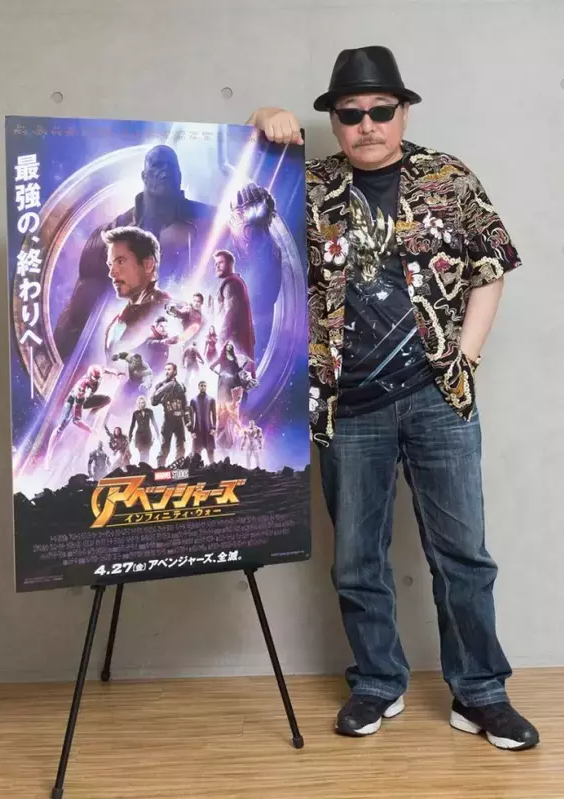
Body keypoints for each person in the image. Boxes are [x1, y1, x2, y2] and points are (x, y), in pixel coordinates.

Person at [247, 45, 539, 750]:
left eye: (381, 110)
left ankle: (481, 693)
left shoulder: (448, 177)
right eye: (351, 114)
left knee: (463, 554)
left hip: (438, 399)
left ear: (402, 112)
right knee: (357, 558)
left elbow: (490, 267)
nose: (368, 124)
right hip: (348, 405)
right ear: (335, 121)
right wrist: (261, 120)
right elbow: (242, 208)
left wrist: (465, 358)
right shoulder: (309, 186)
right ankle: (378, 681)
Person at [53, 145, 280, 362]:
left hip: (195, 356)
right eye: (157, 165)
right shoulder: (109, 237)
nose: (165, 171)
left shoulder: (214, 225)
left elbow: (260, 295)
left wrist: (255, 235)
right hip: (124, 357)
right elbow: (77, 314)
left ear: (180, 176)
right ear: (144, 176)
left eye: (171, 167)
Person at [102, 226, 170, 358]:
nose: (112, 273)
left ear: (148, 265)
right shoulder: (119, 319)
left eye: (120, 261)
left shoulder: (162, 307)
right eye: (110, 265)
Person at [213, 250, 256, 374]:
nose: (217, 266)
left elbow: (231, 314)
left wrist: (220, 340)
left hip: (231, 343)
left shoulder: (231, 284)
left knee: (233, 379)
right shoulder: (236, 282)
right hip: (236, 342)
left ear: (230, 264)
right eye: (216, 264)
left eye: (220, 262)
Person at [151, 362, 189, 467]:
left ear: (175, 371)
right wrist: (163, 391)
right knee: (165, 447)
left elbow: (185, 405)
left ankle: (180, 467)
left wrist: (187, 421)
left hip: (179, 420)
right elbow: (153, 401)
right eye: (165, 369)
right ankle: (160, 468)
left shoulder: (180, 386)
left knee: (181, 446)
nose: (167, 372)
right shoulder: (161, 385)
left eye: (169, 369)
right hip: (168, 419)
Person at [189, 381, 217, 464]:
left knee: (210, 453)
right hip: (197, 430)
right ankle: (196, 470)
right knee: (196, 454)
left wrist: (214, 428)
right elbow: (191, 416)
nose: (203, 387)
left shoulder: (211, 399)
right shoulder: (193, 400)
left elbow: (214, 415)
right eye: (201, 386)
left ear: (206, 387)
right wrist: (192, 431)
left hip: (208, 430)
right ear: (199, 387)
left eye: (204, 386)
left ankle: (213, 468)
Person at [128, 395, 160, 464]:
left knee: (147, 453)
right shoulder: (135, 413)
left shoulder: (150, 411)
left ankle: (145, 468)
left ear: (145, 403)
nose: (142, 404)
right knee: (142, 453)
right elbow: (132, 425)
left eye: (143, 402)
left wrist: (158, 434)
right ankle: (142, 467)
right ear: (138, 404)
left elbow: (154, 423)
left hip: (148, 435)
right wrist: (129, 436)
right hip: (139, 436)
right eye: (140, 403)